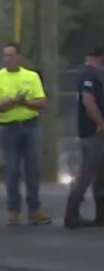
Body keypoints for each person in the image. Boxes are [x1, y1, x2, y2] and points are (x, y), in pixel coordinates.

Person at [63, 47, 104, 228]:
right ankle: (71, 215)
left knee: (101, 176)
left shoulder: (91, 75)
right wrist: (101, 123)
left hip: (100, 135)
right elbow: (88, 101)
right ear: (101, 57)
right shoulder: (88, 75)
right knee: (86, 174)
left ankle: (102, 215)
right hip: (93, 133)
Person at [0, 42, 52, 226]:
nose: (7, 58)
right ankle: (14, 211)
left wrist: (24, 103)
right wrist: (15, 100)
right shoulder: (0, 77)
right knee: (12, 170)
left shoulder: (31, 76)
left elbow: (42, 104)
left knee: (32, 170)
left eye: (11, 55)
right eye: (5, 55)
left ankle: (34, 210)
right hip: (8, 128)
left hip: (30, 126)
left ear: (19, 57)